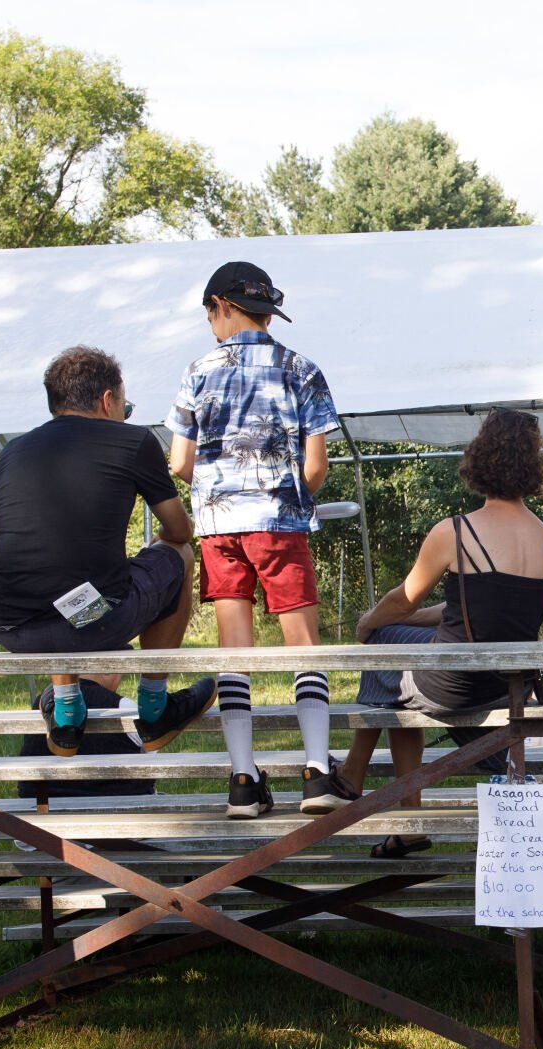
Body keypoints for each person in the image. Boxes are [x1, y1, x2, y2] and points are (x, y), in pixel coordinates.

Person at [169, 261, 353, 819]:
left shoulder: (196, 372)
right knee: (304, 647)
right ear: (266, 311)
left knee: (235, 653)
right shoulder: (302, 368)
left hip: (220, 529)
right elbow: (316, 466)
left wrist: (219, 485)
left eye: (211, 317)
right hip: (280, 522)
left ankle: (243, 781)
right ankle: (318, 772)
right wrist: (286, 491)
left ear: (220, 307)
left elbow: (179, 461)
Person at [338, 410, 543, 858]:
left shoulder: (453, 531)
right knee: (398, 661)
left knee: (383, 645)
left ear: (481, 457)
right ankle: (405, 820)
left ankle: (350, 777)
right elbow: (473, 611)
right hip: (503, 688)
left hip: (453, 685)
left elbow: (405, 601)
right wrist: (395, 621)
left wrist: (369, 622)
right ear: (533, 467)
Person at [0, 346, 212, 757]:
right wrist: (159, 542)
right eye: (125, 404)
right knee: (180, 555)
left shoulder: (13, 452)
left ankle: (67, 712)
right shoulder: (132, 440)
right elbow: (180, 530)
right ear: (108, 400)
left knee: (60, 581)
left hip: (8, 625)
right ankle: (155, 707)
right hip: (84, 621)